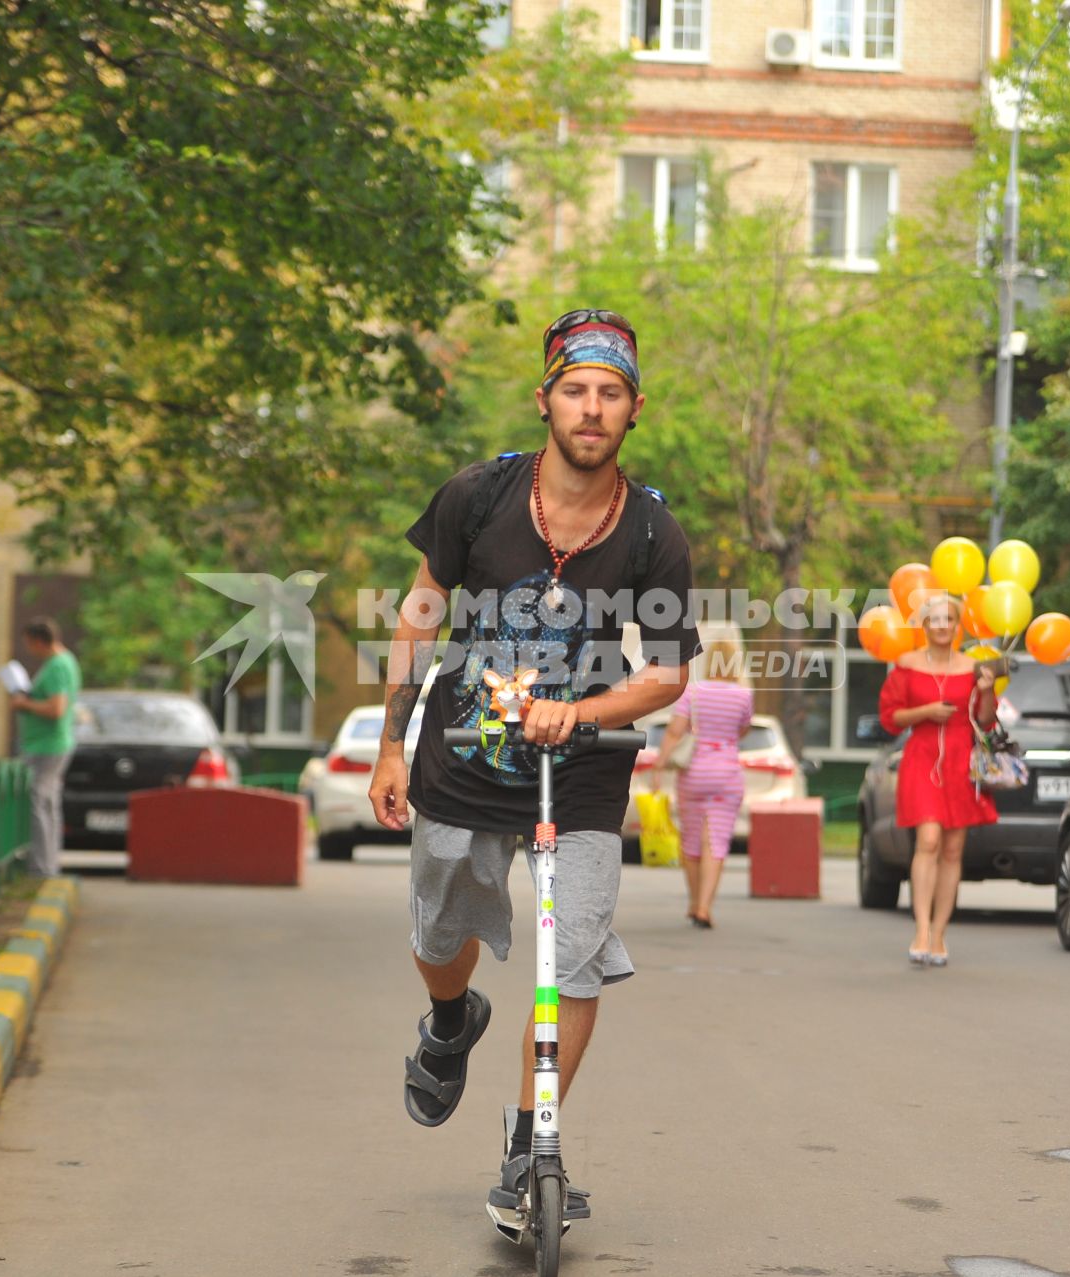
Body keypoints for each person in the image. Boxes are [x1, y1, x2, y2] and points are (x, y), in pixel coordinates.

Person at [367, 308, 699, 1225]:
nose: (591, 408)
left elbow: (668, 673)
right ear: (545, 400)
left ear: (634, 410)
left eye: (611, 393)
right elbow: (420, 613)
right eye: (576, 389)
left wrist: (582, 712)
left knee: (576, 955)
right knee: (440, 934)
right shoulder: (479, 497)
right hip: (463, 759)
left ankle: (530, 1145)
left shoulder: (651, 535)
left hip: (581, 772)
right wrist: (390, 742)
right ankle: (449, 1022)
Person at [876, 594, 998, 967]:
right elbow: (890, 716)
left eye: (948, 619)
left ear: (957, 625)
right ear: (924, 626)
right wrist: (926, 711)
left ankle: (941, 933)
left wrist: (989, 689)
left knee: (952, 849)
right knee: (927, 840)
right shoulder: (907, 665)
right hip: (922, 758)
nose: (942, 625)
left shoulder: (972, 666)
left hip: (962, 761)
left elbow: (986, 720)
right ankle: (922, 929)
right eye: (935, 619)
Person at [655, 636, 754, 929]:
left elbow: (674, 732)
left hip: (694, 775)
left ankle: (692, 901)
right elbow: (743, 730)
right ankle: (705, 906)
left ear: (711, 662)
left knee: (692, 841)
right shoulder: (744, 696)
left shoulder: (693, 693)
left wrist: (660, 764)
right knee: (717, 841)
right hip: (727, 775)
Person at [8, 618, 80, 877]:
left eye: (29, 643)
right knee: (48, 803)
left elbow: (56, 708)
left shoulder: (57, 666)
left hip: (47, 745)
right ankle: (47, 863)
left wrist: (24, 704)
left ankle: (42, 866)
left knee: (39, 802)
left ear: (39, 641)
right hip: (51, 743)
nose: (29, 649)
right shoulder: (65, 661)